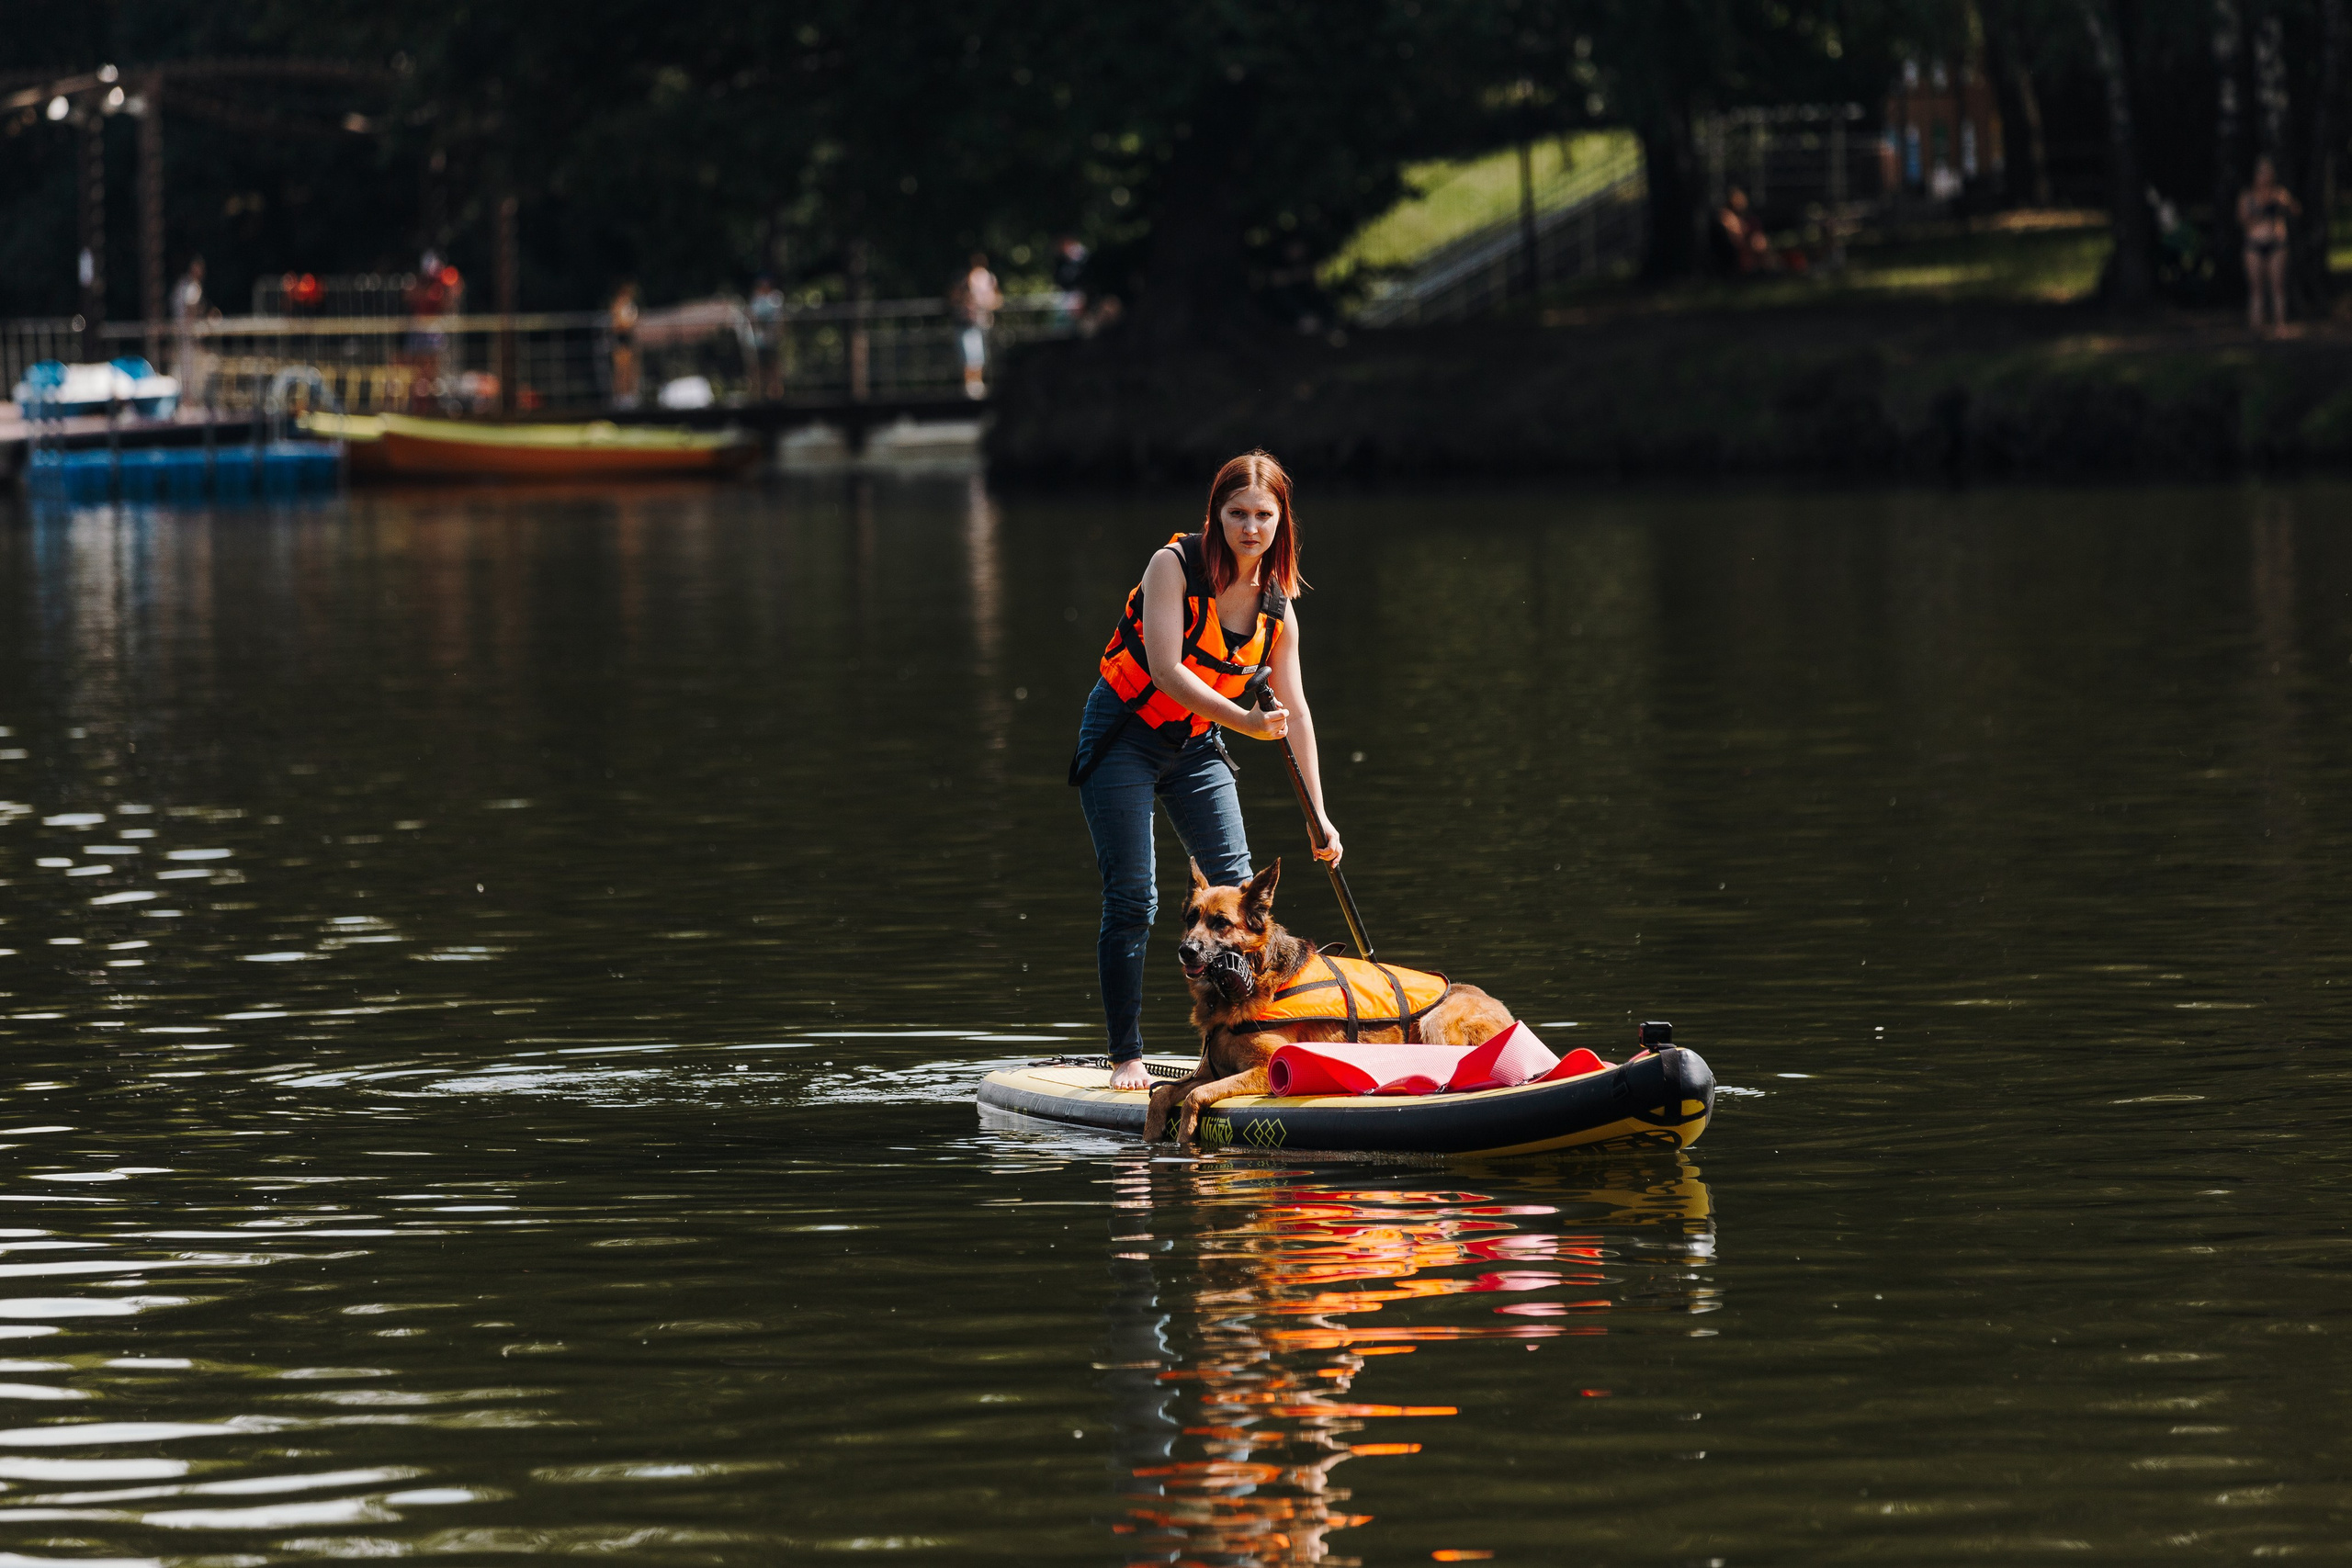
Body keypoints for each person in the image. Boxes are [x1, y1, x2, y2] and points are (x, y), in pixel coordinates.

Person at [1068, 451, 1343, 1090]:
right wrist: (1244, 721)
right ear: (1215, 516)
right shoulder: (1174, 565)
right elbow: (1167, 670)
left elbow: (1297, 713)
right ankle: (1127, 1056)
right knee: (1136, 895)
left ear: (1282, 522)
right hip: (1123, 737)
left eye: (1264, 515)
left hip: (1195, 744)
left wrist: (1320, 818)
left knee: (1239, 897)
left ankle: (1236, 1048)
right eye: (1237, 513)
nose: (1251, 527)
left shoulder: (1278, 605)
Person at [2239, 157, 2300, 336]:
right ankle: (2257, 326)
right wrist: (2264, 209)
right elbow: (2242, 221)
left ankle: (2280, 324)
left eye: (2268, 172)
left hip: (2277, 244)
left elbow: (2296, 211)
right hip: (2254, 245)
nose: (2265, 176)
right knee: (2256, 288)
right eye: (2261, 172)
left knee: (2277, 285)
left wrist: (2285, 203)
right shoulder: (2247, 196)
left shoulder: (2279, 193)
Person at [951, 253, 1001, 399]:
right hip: (967, 322)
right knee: (970, 355)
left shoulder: (989, 279)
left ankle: (976, 385)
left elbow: (996, 300)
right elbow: (954, 298)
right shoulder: (963, 280)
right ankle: (971, 387)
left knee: (979, 356)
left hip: (983, 322)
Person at [747, 275, 785, 400]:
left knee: (773, 366)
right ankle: (758, 394)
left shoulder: (775, 298)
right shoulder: (756, 300)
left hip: (772, 340)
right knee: (757, 368)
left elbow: (776, 316)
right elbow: (752, 317)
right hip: (758, 342)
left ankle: (776, 393)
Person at [609, 281, 641, 407]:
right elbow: (617, 324)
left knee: (631, 369)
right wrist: (628, 324)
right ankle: (620, 398)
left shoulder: (630, 304)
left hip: (629, 338)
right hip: (621, 339)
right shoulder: (618, 304)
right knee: (621, 370)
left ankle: (630, 397)